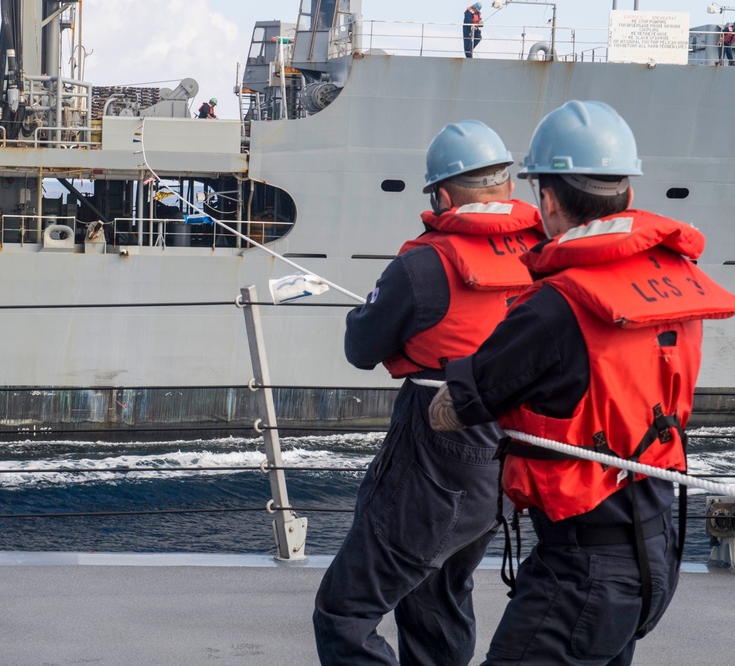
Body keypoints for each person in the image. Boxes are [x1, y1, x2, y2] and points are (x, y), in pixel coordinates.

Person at [429, 100, 735, 664]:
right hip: (655, 556)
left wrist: (444, 384)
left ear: (546, 200)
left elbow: (458, 406)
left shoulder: (554, 305)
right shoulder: (676, 280)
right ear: (628, 194)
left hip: (582, 573)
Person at [312, 120, 546, 665]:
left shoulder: (423, 264)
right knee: (440, 596)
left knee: (345, 611)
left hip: (436, 442)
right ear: (508, 187)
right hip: (511, 447)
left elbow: (361, 347)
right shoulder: (546, 249)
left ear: (441, 195)